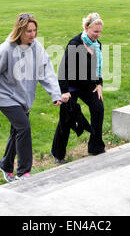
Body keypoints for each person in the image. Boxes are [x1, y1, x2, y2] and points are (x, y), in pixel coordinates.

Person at [0, 13, 61, 182]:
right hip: (6, 96)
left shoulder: (37, 48)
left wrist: (55, 94)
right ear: (20, 31)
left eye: (34, 30)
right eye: (29, 31)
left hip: (24, 97)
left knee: (17, 131)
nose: (32, 34)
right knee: (24, 128)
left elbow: (46, 71)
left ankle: (5, 164)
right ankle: (23, 171)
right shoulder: (6, 50)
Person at [51, 13, 105, 163]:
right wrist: (64, 91)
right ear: (86, 28)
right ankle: (57, 153)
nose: (98, 35)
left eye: (100, 32)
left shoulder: (97, 45)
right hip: (71, 86)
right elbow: (63, 69)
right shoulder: (74, 44)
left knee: (98, 108)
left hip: (87, 85)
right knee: (66, 119)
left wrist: (99, 84)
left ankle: (95, 147)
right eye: (95, 32)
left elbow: (97, 68)